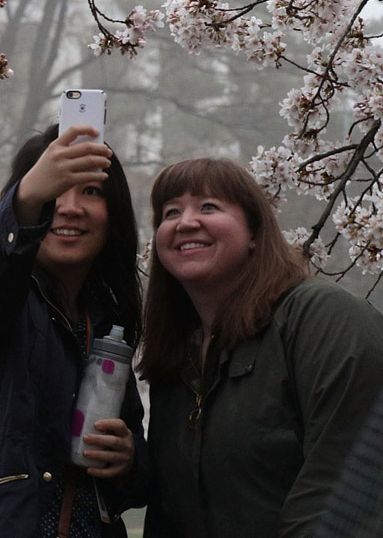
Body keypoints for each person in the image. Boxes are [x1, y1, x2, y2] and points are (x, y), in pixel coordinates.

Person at [0, 123, 149, 537]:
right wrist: (26, 199)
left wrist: (129, 459)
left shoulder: (106, 323)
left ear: (114, 216)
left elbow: (128, 486)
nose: (69, 208)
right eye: (53, 190)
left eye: (90, 192)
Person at [140, 157, 383, 537]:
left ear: (254, 231)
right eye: (170, 212)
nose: (186, 222)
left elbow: (342, 494)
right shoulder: (177, 359)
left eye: (209, 206)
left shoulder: (323, 320)